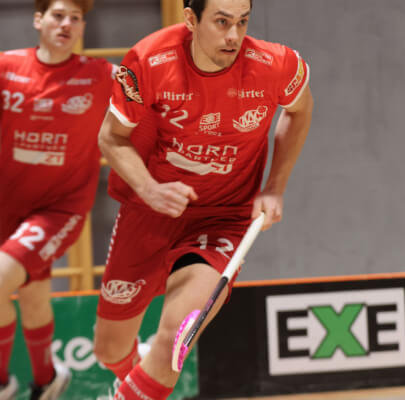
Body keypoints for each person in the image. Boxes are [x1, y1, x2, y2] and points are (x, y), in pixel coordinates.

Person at [93, 0, 313, 398]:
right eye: (222, 22)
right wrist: (149, 189)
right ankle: (132, 382)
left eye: (242, 22)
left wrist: (275, 186)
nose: (234, 35)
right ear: (191, 19)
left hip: (223, 218)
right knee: (109, 350)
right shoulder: (149, 60)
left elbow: (300, 110)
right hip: (149, 211)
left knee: (174, 340)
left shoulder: (275, 64)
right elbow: (111, 137)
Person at [0, 0, 114, 398]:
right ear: (38, 20)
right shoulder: (6, 67)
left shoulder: (101, 75)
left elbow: (153, 99)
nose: (67, 24)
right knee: (32, 297)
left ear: (82, 27)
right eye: (58, 15)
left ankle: (3, 383)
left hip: (59, 209)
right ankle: (46, 380)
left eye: (75, 18)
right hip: (6, 205)